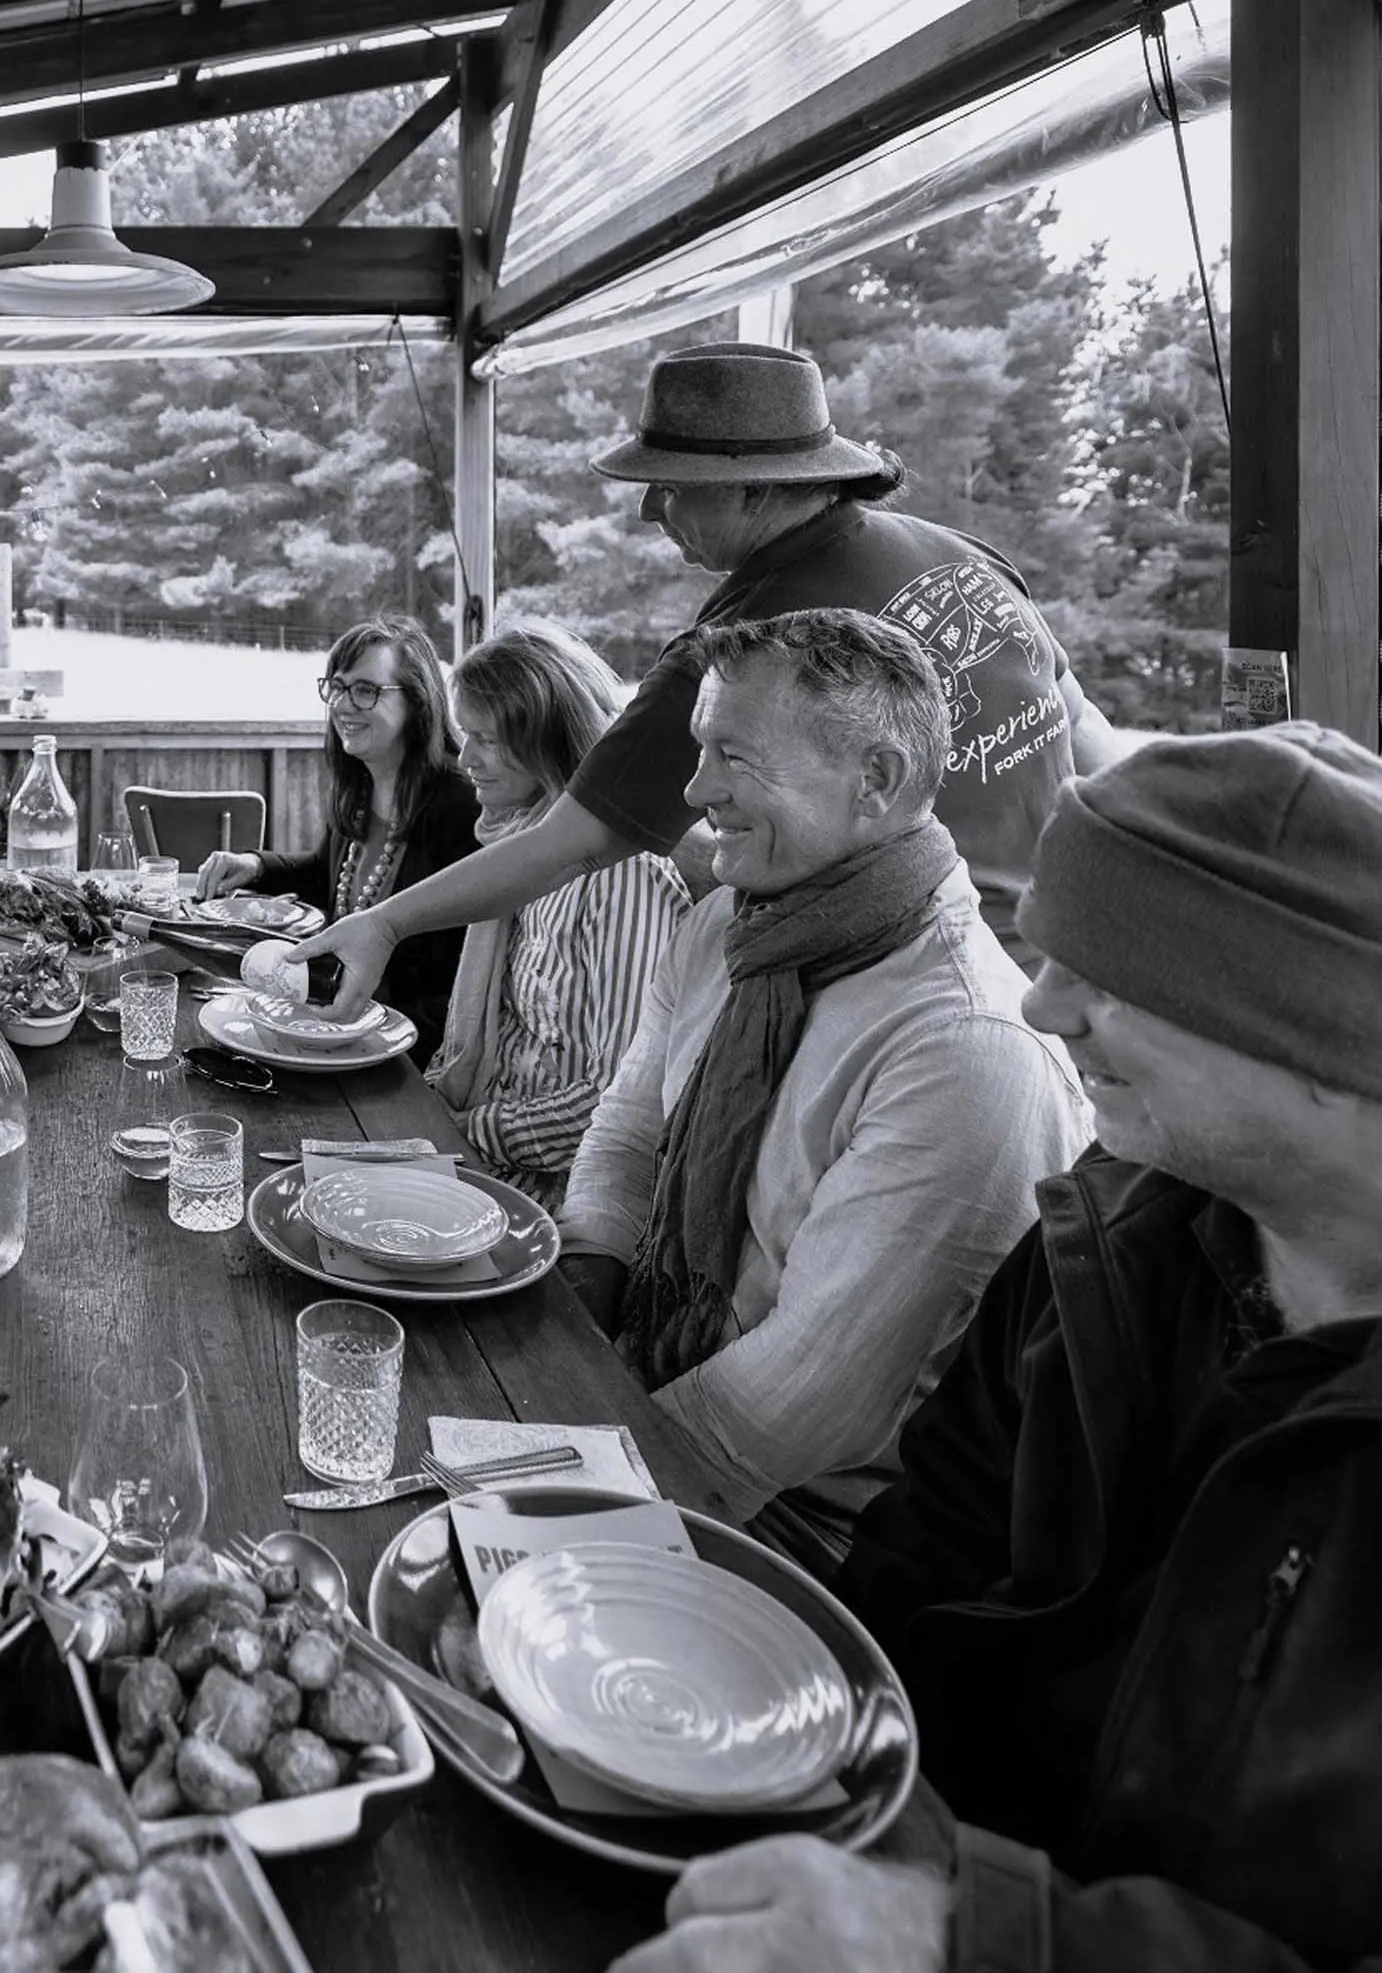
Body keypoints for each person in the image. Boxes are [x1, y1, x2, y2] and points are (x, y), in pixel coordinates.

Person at [613, 724, 1382, 1973]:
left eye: (1112, 973)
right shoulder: (1108, 1242)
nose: (1040, 1002)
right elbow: (913, 1573)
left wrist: (974, 1938)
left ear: (1322, 1040)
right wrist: (755, 1752)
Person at [294, 341, 1134, 1015]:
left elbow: (568, 845)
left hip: (889, 991)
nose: (648, 512)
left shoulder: (743, 649)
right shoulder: (965, 557)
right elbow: (1088, 745)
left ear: (758, 487)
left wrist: (388, 920)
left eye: (667, 487)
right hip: (1065, 976)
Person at [558, 608, 1087, 1563]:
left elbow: (794, 1406)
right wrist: (578, 1292)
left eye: (735, 756)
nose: (694, 789)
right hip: (646, 1397)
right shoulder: (725, 925)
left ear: (875, 780)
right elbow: (629, 1136)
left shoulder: (966, 1047)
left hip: (818, 1532)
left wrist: (554, 1473)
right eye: (698, 748)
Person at [424, 619, 692, 1207]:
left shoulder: (620, 875)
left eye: (487, 740)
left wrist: (466, 1133)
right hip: (481, 1146)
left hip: (560, 1196)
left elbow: (614, 1098)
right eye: (464, 734)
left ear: (551, 740)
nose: (464, 757)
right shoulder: (514, 846)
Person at [194, 614, 481, 1060]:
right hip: (337, 1026)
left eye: (366, 690)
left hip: (407, 1049)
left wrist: (368, 1037)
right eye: (337, 686)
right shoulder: (357, 788)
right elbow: (331, 882)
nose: (343, 705)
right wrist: (255, 865)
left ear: (418, 703)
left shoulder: (461, 805)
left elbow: (466, 975)